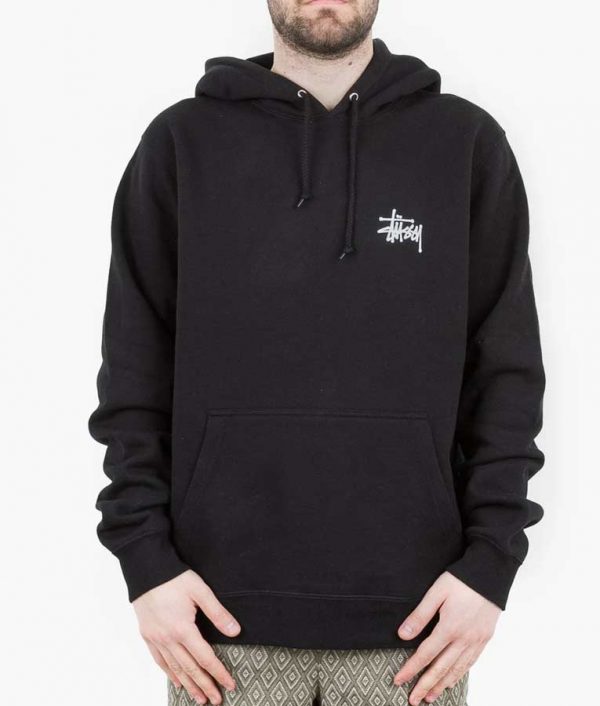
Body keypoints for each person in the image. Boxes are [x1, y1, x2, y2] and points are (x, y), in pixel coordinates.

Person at [87, 1, 546, 705]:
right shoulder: (182, 145)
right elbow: (133, 372)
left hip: (417, 628)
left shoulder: (465, 146)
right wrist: (146, 564)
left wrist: (490, 566)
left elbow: (507, 375)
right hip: (217, 626)